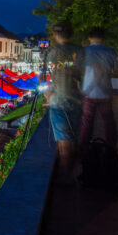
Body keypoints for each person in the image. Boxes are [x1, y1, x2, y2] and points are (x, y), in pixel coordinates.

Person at [45, 22, 82, 183]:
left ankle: (65, 177)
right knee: (72, 137)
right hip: (77, 100)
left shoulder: (53, 53)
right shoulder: (80, 52)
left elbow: (53, 79)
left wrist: (48, 95)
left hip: (59, 100)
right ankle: (68, 173)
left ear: (55, 34)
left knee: (64, 140)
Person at [76, 27, 118, 152]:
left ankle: (84, 146)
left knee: (87, 120)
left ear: (89, 38)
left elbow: (77, 69)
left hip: (88, 92)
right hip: (105, 91)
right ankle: (111, 146)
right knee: (108, 120)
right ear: (103, 38)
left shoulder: (84, 51)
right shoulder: (111, 51)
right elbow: (116, 69)